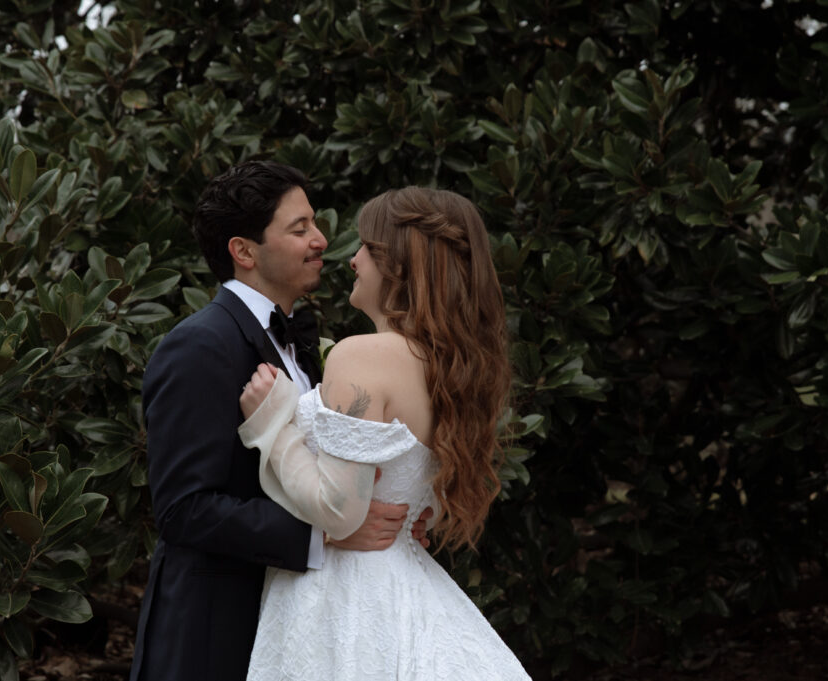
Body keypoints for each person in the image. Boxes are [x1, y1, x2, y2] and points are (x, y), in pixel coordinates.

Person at [129, 161, 429, 681]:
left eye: (314, 223)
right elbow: (183, 509)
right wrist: (326, 535)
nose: (321, 239)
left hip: (297, 623)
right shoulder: (199, 346)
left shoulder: (306, 348)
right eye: (300, 228)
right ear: (244, 252)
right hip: (215, 630)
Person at [237, 186, 531, 680]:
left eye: (365, 247)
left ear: (398, 263)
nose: (351, 260)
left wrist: (272, 426)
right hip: (407, 583)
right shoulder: (454, 369)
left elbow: (338, 512)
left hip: (348, 598)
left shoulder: (364, 355)